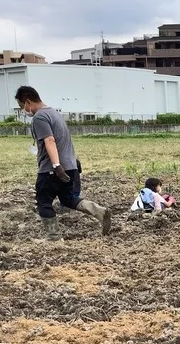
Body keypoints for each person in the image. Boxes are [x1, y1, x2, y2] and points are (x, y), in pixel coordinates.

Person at [15, 85, 111, 241]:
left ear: (28, 102)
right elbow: (63, 139)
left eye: (21, 106)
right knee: (68, 199)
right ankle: (99, 211)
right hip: (70, 165)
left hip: (52, 169)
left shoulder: (40, 117)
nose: (23, 110)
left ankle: (53, 238)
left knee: (43, 202)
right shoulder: (54, 113)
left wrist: (56, 166)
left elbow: (49, 140)